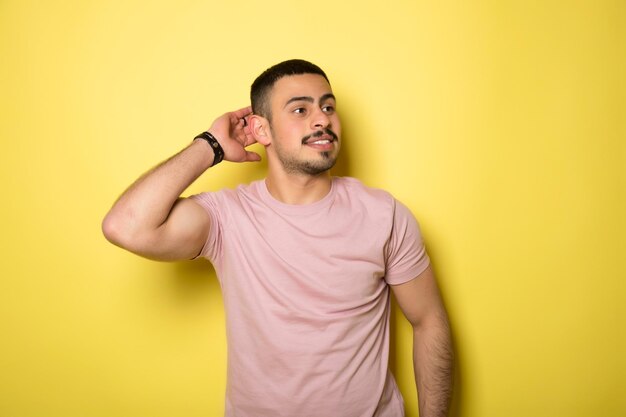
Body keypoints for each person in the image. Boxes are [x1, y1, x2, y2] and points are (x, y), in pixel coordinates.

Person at [102, 59, 453, 417]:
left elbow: (429, 321)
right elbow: (126, 226)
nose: (322, 120)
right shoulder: (228, 218)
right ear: (261, 130)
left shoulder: (385, 215)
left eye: (328, 107)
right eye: (301, 109)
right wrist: (210, 145)